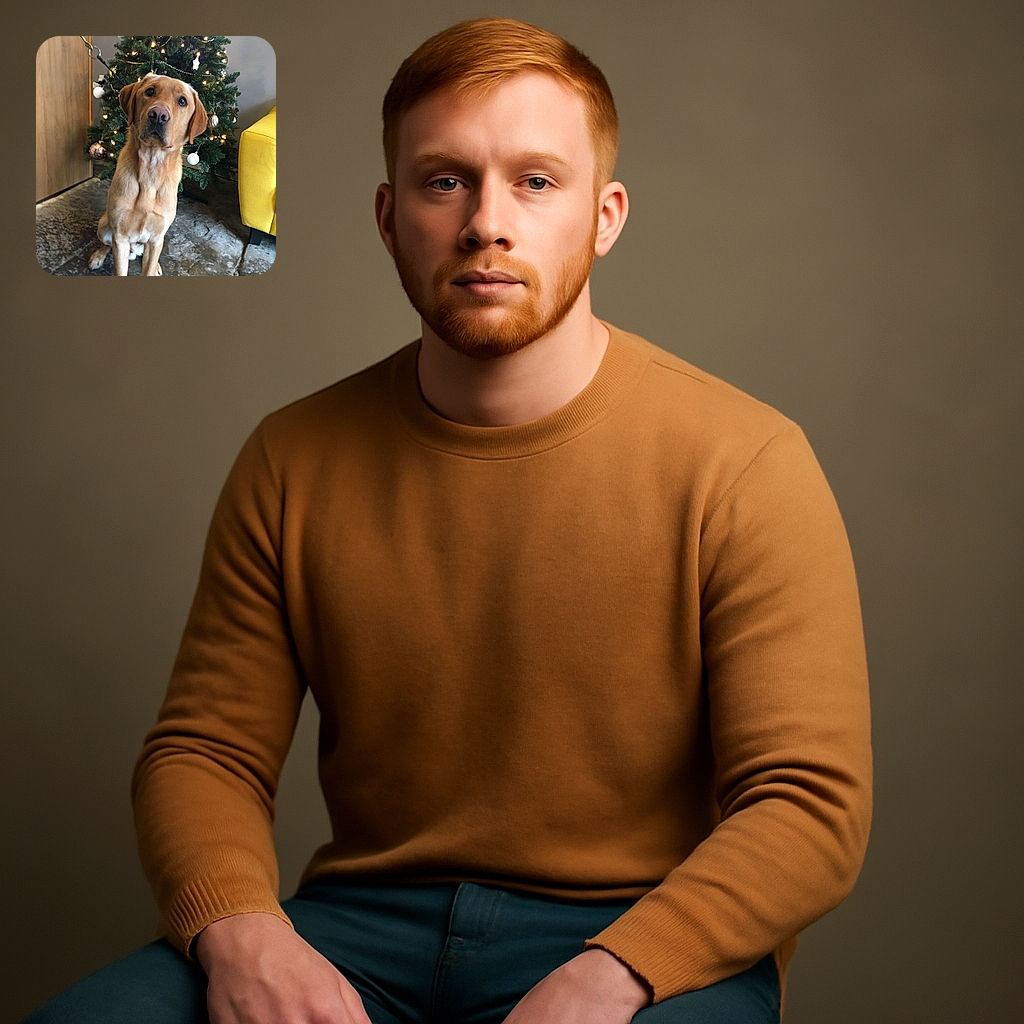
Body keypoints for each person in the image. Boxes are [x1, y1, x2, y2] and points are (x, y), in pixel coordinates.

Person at [23, 17, 871, 1024]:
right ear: (389, 217)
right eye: (444, 181)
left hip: (637, 938)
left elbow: (808, 803)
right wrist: (242, 933)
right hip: (357, 927)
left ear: (604, 217)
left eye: (536, 182)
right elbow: (205, 751)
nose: (485, 223)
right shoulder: (292, 458)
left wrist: (612, 975)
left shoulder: (747, 461)